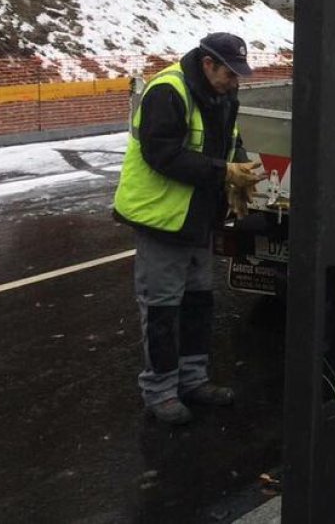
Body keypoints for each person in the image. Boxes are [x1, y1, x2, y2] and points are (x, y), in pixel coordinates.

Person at [112, 32, 263, 425]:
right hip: (162, 220)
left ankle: (193, 380)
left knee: (198, 304)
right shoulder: (168, 91)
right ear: (208, 63)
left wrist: (239, 171)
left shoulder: (222, 94)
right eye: (230, 74)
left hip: (199, 219)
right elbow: (162, 154)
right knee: (162, 310)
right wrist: (221, 171)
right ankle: (160, 390)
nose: (236, 82)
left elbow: (232, 139)